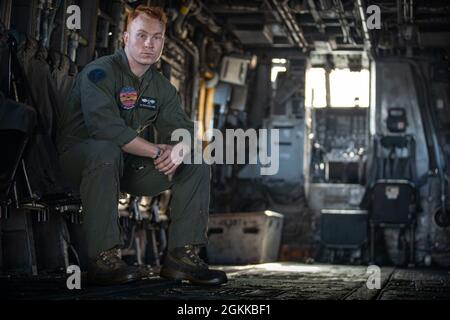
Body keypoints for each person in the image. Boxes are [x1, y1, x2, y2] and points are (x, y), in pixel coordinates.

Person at [57, 5, 227, 286]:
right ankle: (104, 257)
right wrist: (157, 151)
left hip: (122, 165)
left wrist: (180, 149)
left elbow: (182, 129)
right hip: (79, 161)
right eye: (142, 35)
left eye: (157, 37)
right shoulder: (99, 72)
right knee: (105, 150)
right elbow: (105, 129)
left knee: (196, 162)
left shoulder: (160, 87)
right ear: (125, 37)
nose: (149, 43)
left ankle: (181, 258)